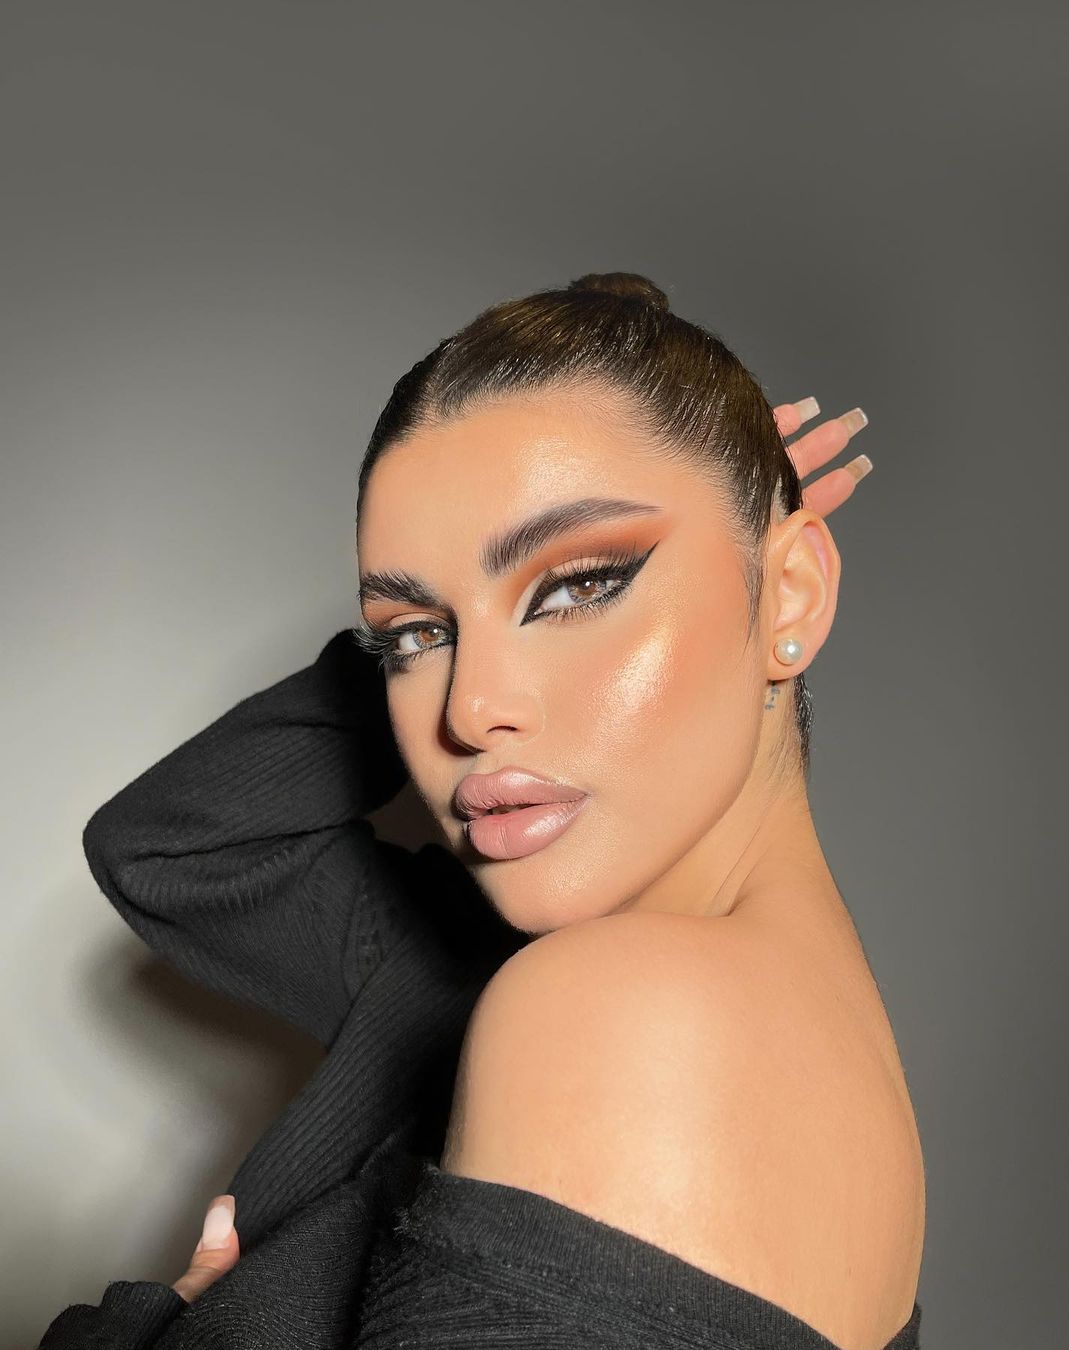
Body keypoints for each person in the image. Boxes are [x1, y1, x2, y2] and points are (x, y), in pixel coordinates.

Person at [37, 272, 922, 1350]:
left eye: (577, 585)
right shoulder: (497, 974)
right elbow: (171, 850)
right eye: (414, 636)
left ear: (791, 593)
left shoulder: (628, 1015)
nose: (467, 711)